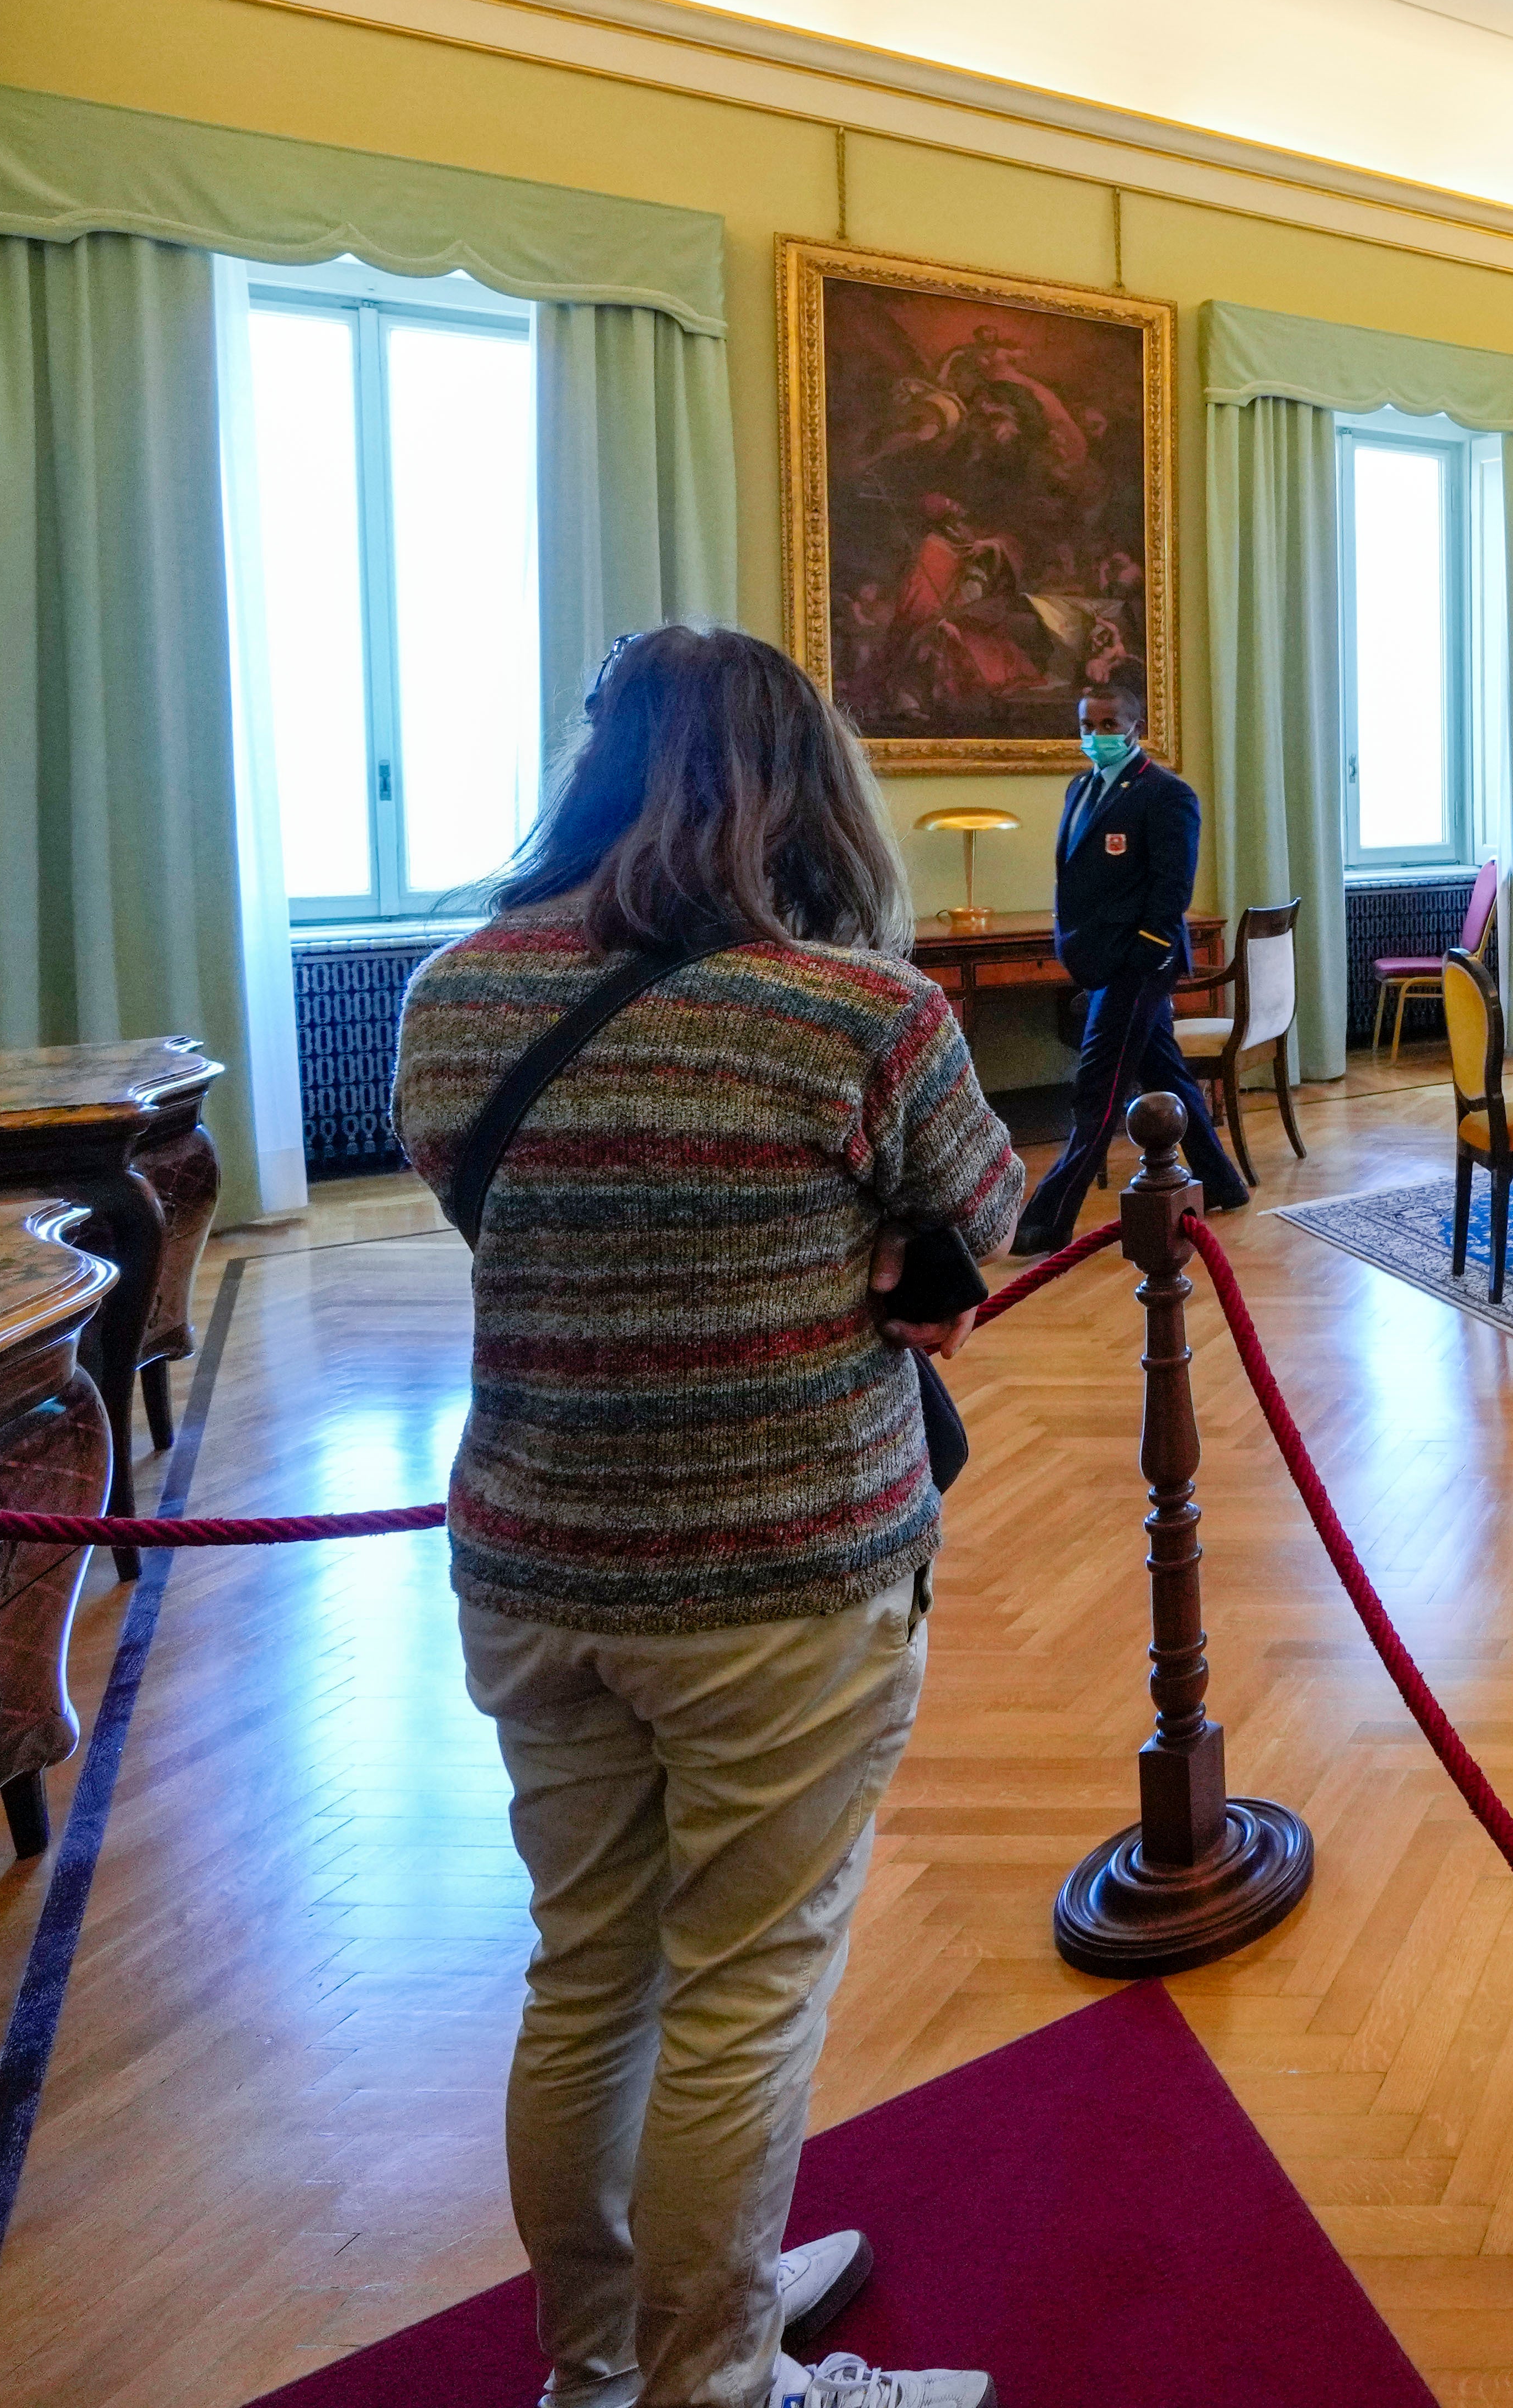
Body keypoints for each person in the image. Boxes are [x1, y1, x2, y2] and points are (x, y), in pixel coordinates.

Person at [396, 628, 1022, 2408]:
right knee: (744, 1994)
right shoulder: (858, 1010)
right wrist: (892, 1249)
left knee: (588, 1973)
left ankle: (602, 2371)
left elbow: (493, 1216)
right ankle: (722, 2381)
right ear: (806, 786)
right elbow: (988, 1206)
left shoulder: (454, 997)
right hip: (786, 1578)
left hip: (536, 1560)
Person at [1008, 682, 1246, 1244]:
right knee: (1166, 1073)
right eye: (1088, 725)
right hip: (1099, 960)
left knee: (1099, 1088)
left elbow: (1171, 891)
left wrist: (1143, 957)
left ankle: (1045, 1221)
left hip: (1138, 966)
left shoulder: (1166, 794)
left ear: (1136, 726)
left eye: (1109, 725)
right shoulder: (1080, 787)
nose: (1097, 736)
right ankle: (1223, 1184)